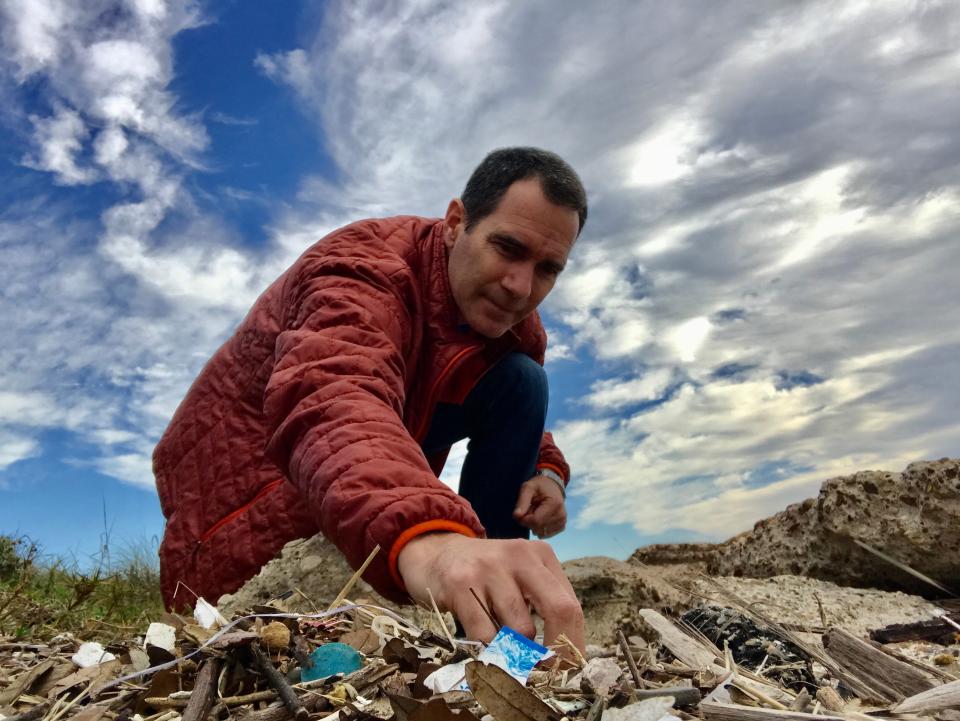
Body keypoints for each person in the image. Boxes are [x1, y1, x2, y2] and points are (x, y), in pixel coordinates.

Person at [154, 147, 588, 649]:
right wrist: (430, 539)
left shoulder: (511, 324)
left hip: (370, 473)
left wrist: (548, 472)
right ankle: (461, 570)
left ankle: (494, 615)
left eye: (548, 268)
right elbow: (334, 390)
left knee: (523, 379)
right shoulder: (360, 268)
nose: (520, 286)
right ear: (455, 223)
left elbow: (512, 405)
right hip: (256, 491)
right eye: (507, 248)